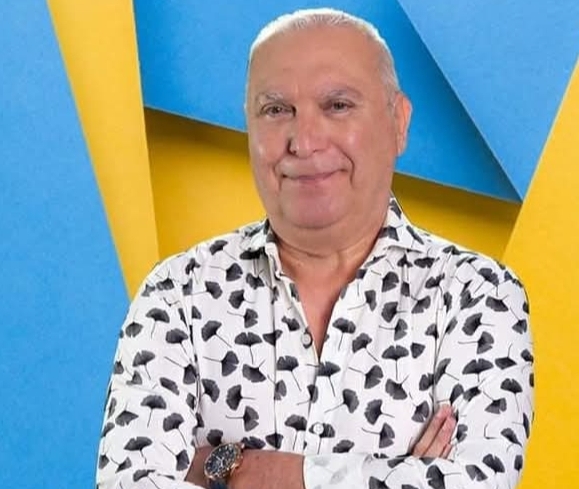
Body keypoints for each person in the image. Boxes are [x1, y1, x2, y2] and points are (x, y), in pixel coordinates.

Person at [96, 8, 534, 489]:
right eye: (276, 110)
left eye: (337, 105)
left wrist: (241, 470)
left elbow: (477, 482)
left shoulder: (477, 294)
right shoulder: (177, 293)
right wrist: (397, 475)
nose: (303, 142)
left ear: (399, 122)